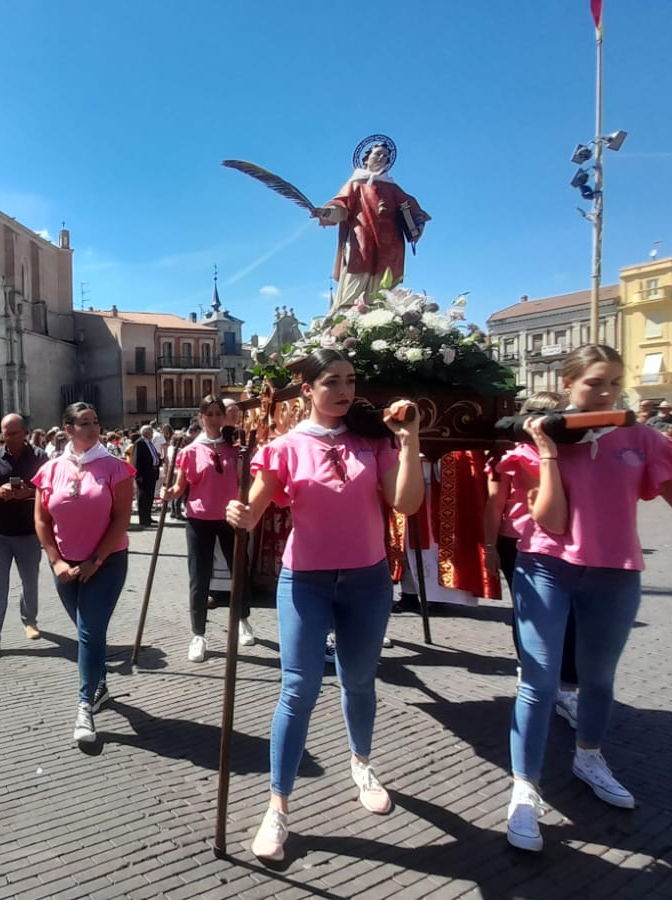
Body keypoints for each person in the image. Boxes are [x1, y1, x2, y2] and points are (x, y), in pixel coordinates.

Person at [503, 345, 672, 853]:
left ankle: (589, 756)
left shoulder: (641, 439)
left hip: (615, 571)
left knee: (598, 679)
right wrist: (551, 452)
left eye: (614, 383)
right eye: (594, 383)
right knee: (539, 680)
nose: (605, 392)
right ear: (568, 383)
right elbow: (551, 521)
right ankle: (524, 789)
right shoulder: (533, 438)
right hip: (546, 568)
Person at [224, 349, 424, 861]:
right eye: (331, 381)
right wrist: (238, 512)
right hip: (306, 581)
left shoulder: (372, 443)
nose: (343, 390)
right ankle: (278, 806)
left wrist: (408, 443)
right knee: (298, 687)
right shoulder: (284, 447)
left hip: (367, 580)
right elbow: (253, 513)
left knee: (359, 680)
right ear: (308, 390)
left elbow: (406, 504)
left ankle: (362, 763)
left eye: (351, 381)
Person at [33, 402, 135, 744]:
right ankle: (101, 686)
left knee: (89, 632)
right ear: (68, 429)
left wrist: (97, 559)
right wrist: (56, 560)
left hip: (106, 564)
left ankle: (84, 706)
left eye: (95, 422)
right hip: (65, 566)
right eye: (84, 423)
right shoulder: (50, 470)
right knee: (88, 633)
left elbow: (121, 519)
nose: (93, 428)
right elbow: (41, 520)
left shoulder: (115, 468)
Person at [485, 392, 580, 723]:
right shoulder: (509, 456)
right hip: (519, 543)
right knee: (527, 612)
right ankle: (528, 671)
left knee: (571, 616)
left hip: (566, 544)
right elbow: (495, 505)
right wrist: (490, 548)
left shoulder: (573, 455)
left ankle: (565, 688)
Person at [168, 396, 253, 663]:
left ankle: (243, 620)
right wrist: (169, 492)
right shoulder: (190, 451)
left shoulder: (234, 447)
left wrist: (244, 461)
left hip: (230, 516)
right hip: (199, 518)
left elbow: (246, 481)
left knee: (239, 569)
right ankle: (198, 634)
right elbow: (180, 487)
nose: (215, 418)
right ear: (202, 416)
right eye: (211, 413)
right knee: (199, 577)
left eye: (219, 413)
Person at [316, 136, 431, 308]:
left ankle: (380, 317)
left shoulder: (393, 188)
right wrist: (328, 212)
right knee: (355, 278)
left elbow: (414, 210)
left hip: (390, 244)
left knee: (384, 288)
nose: (381, 158)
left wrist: (418, 222)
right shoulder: (356, 183)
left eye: (385, 156)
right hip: (361, 238)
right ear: (366, 158)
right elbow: (341, 207)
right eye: (377, 154)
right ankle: (347, 316)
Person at [0, 413, 45, 650]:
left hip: (28, 532)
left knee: (29, 581)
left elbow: (51, 490)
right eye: (5, 433)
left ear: (25, 432)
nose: (8, 438)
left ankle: (30, 621)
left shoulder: (39, 457)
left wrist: (29, 493)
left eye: (13, 433)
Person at [130, 424, 162, 528]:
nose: (152, 434)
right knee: (143, 497)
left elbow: (153, 455)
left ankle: (148, 516)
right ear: (146, 432)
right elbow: (136, 460)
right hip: (144, 474)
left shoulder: (149, 443)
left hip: (152, 473)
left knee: (150, 496)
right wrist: (138, 475)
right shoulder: (139, 443)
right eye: (151, 432)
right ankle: (143, 519)